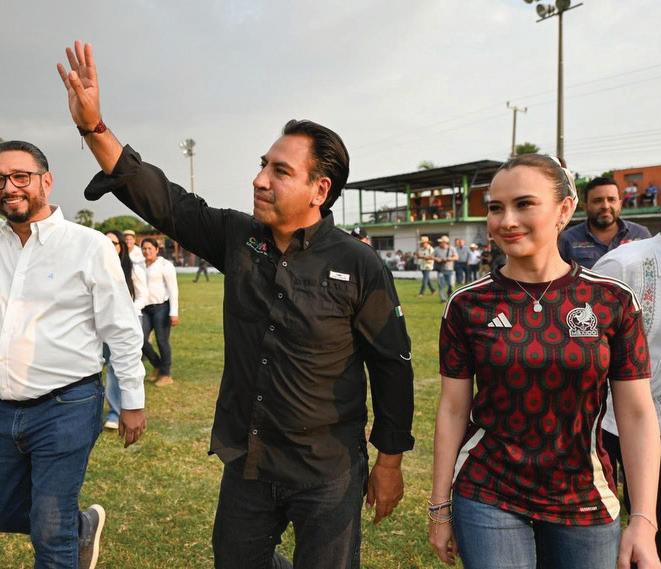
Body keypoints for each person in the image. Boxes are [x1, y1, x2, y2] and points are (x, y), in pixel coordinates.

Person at [57, 41, 414, 569]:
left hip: (329, 468)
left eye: (279, 171)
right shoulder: (238, 238)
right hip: (250, 456)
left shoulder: (359, 264)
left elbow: (392, 368)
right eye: (262, 165)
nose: (259, 179)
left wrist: (389, 462)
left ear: (320, 189)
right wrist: (94, 128)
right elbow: (165, 201)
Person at [429, 154, 661, 569]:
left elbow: (637, 413)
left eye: (524, 204)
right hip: (488, 491)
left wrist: (644, 518)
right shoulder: (467, 304)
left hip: (583, 494)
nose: (506, 221)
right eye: (495, 208)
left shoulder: (612, 301)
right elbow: (452, 409)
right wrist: (439, 506)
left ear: (564, 209)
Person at [0, 140, 146, 569]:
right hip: (4, 406)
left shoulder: (88, 245)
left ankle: (65, 531)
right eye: (0, 179)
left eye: (20, 176)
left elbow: (121, 327)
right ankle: (78, 528)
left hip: (66, 404)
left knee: (49, 527)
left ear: (46, 181)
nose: (9, 187)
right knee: (9, 510)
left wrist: (132, 400)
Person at [592, 189, 661, 569]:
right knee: (594, 513)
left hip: (653, 412)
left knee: (653, 514)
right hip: (598, 415)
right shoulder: (622, 266)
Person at [103, 230, 148, 429]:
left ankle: (115, 412)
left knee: (116, 367)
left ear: (120, 247)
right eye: (105, 241)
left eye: (113, 243)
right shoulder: (94, 266)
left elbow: (142, 296)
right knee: (100, 365)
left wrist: (128, 312)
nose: (108, 246)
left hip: (126, 323)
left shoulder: (132, 269)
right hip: (101, 324)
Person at [559, 176, 651, 269]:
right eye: (597, 201)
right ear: (585, 206)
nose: (606, 206)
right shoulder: (567, 239)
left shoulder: (640, 235)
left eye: (611, 199)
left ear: (620, 204)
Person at [140, 237, 179, 387]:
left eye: (150, 248)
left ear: (157, 249)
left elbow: (173, 289)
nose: (147, 251)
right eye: (144, 248)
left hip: (161, 308)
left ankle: (166, 374)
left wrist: (174, 312)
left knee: (162, 340)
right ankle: (157, 365)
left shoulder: (165, 265)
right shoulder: (139, 265)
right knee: (140, 339)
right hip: (144, 308)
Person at [433, 235, 457, 302]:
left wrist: (448, 259)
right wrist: (437, 259)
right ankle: (443, 299)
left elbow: (456, 257)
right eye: (440, 242)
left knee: (450, 284)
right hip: (440, 270)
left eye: (441, 242)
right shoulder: (436, 249)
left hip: (449, 269)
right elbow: (431, 256)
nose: (440, 243)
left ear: (446, 242)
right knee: (441, 285)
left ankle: (450, 295)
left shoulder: (452, 249)